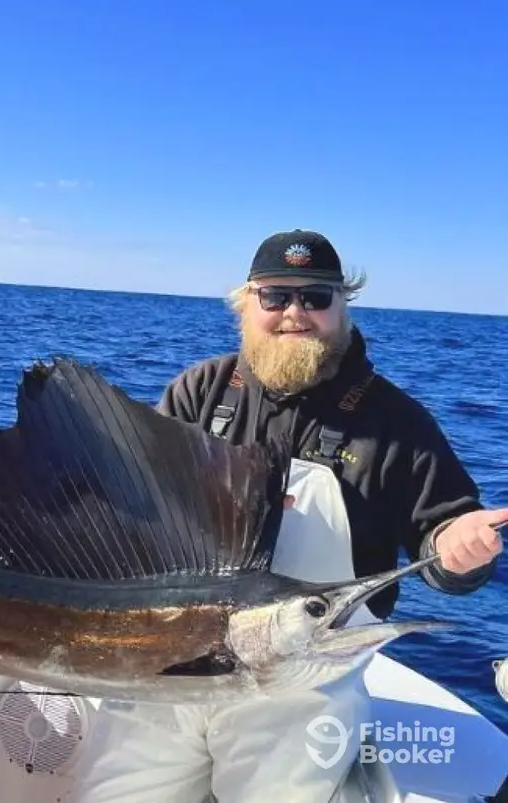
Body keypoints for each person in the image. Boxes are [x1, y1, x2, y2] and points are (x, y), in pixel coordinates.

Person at [69, 229, 506, 803]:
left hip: (306, 683)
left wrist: (460, 547)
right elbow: (130, 515)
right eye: (275, 297)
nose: (294, 313)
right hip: (170, 662)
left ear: (343, 306)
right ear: (245, 303)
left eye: (316, 297)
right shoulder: (200, 392)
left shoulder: (399, 422)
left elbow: (441, 542)